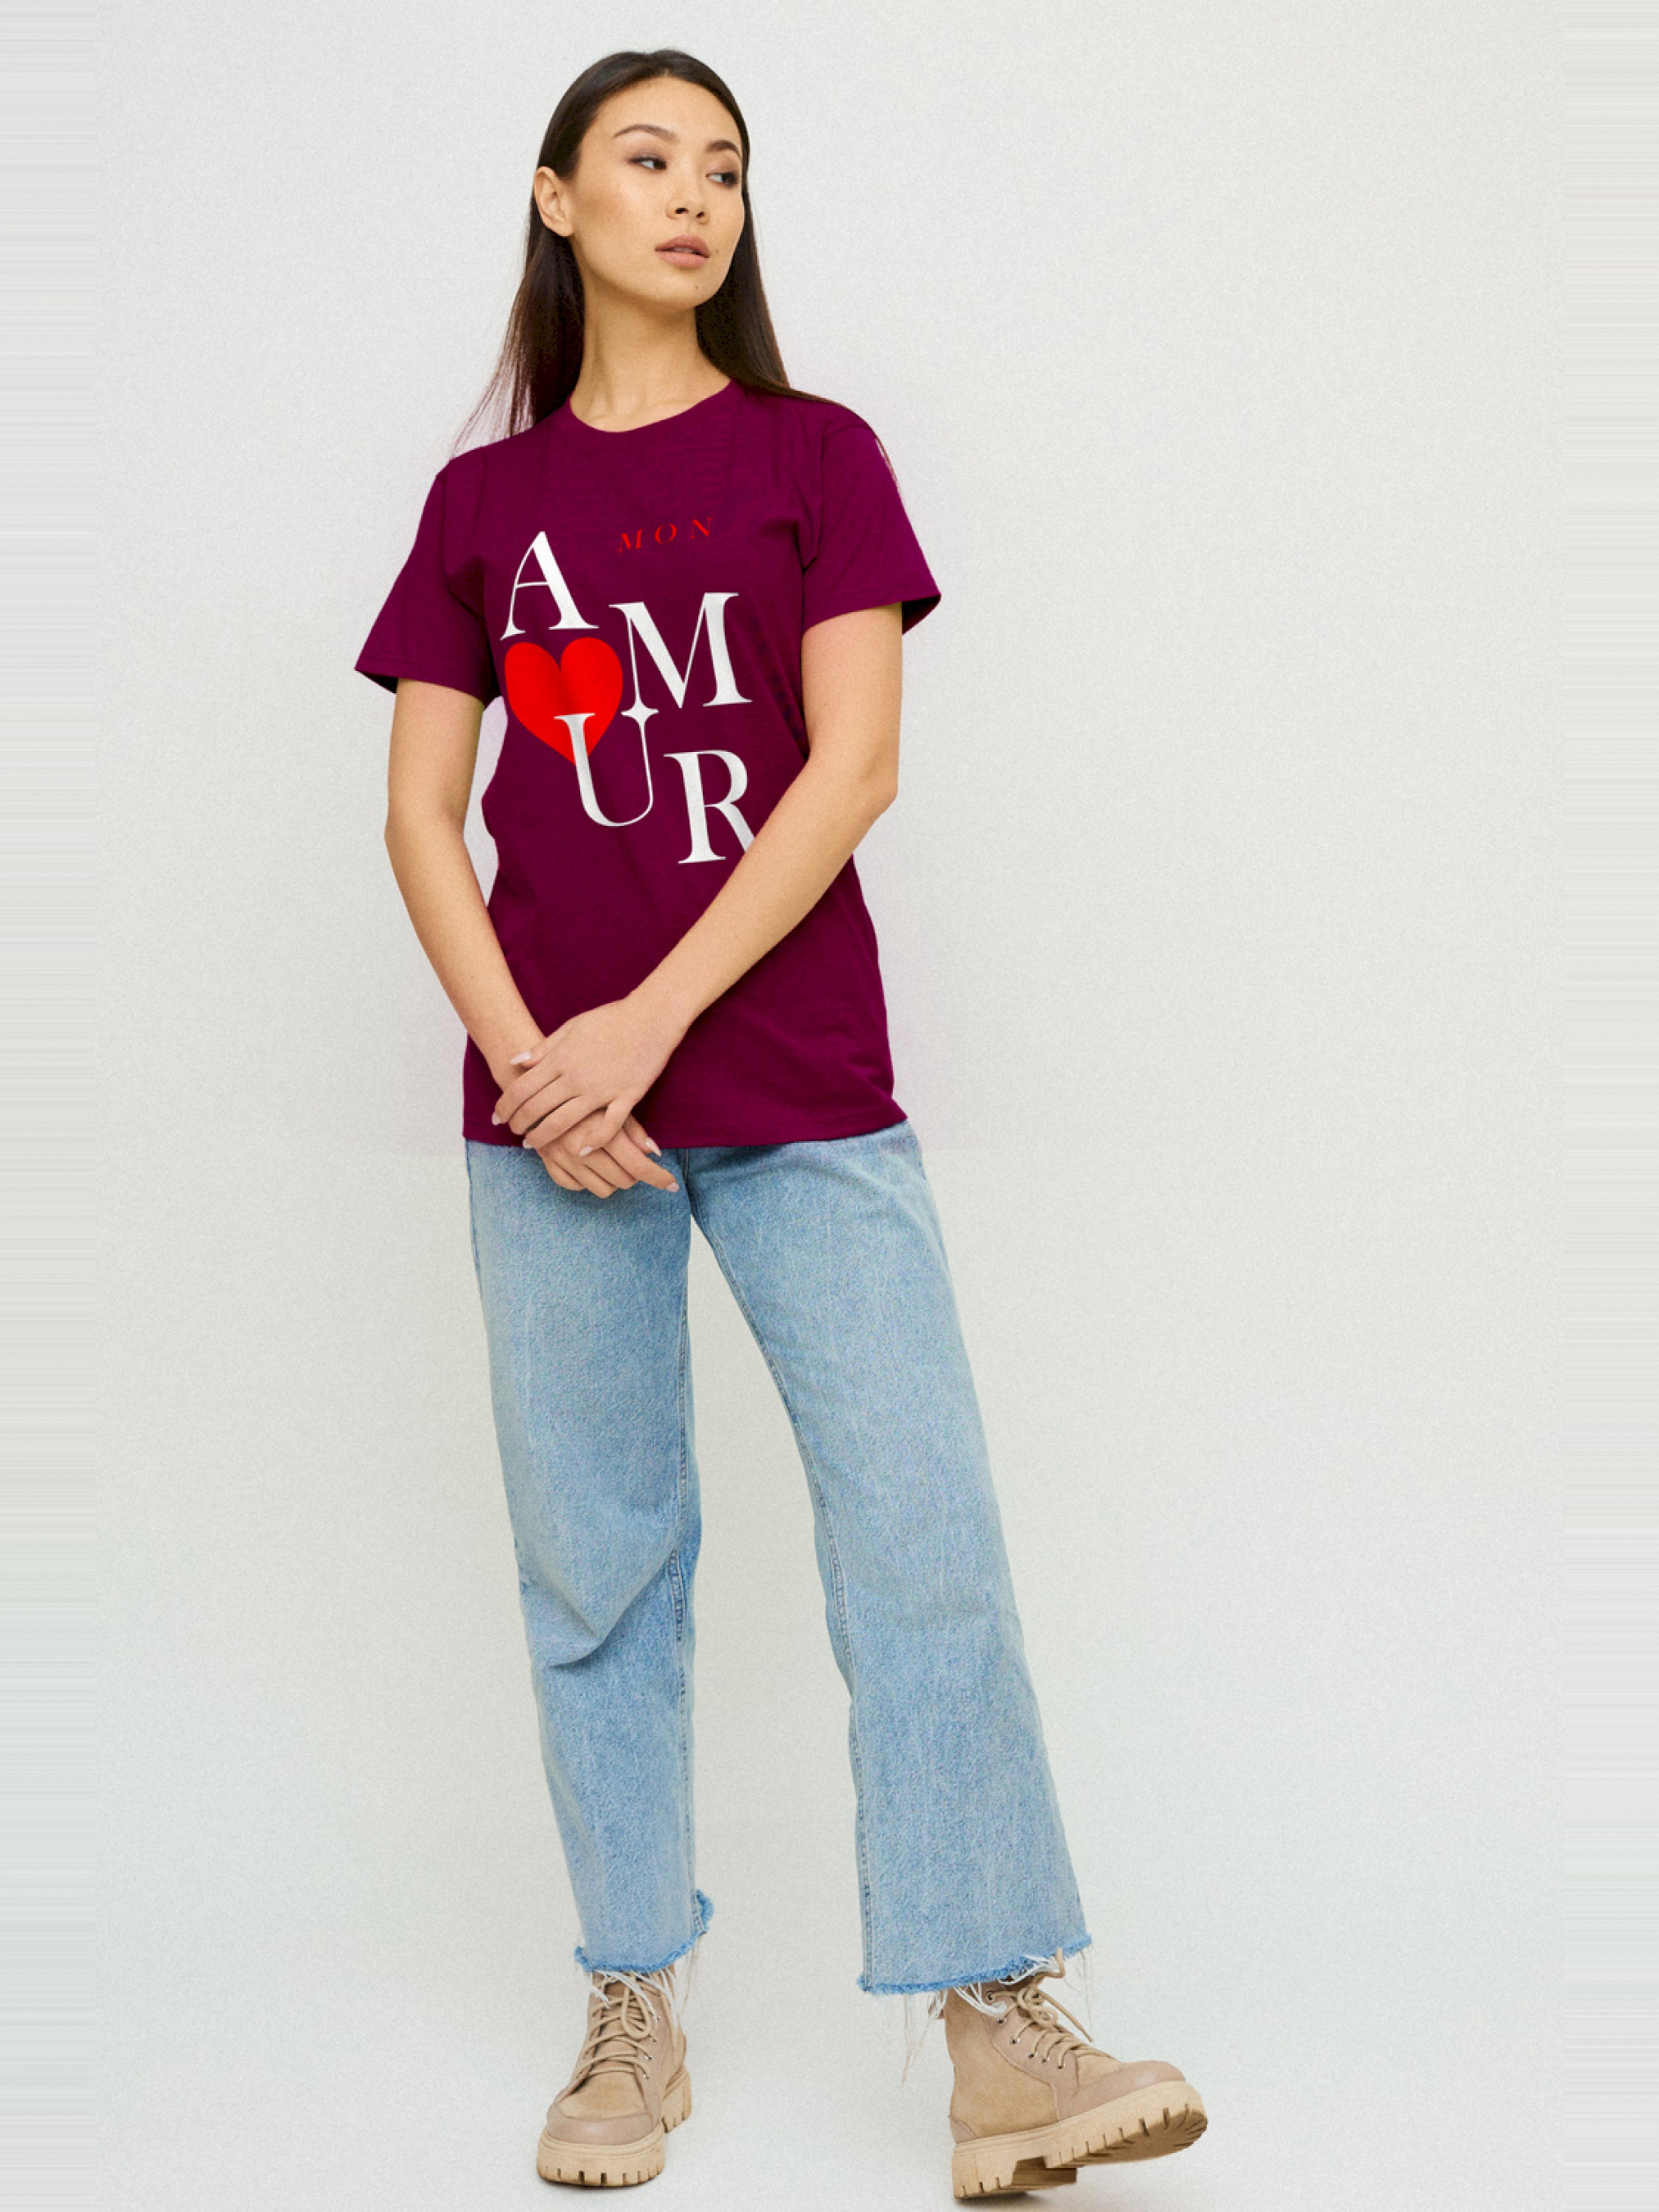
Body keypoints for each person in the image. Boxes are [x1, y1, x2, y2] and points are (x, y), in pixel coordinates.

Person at [354, 47, 1207, 2199]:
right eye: (647, 158)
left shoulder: (817, 454)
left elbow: (854, 768)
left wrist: (638, 1021)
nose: (694, 196)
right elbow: (422, 814)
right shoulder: (480, 509)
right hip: (552, 1124)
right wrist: (536, 1062)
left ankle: (997, 2022)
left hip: (796, 1085)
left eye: (724, 167)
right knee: (597, 1564)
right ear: (555, 197)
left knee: (922, 1535)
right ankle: (630, 2004)